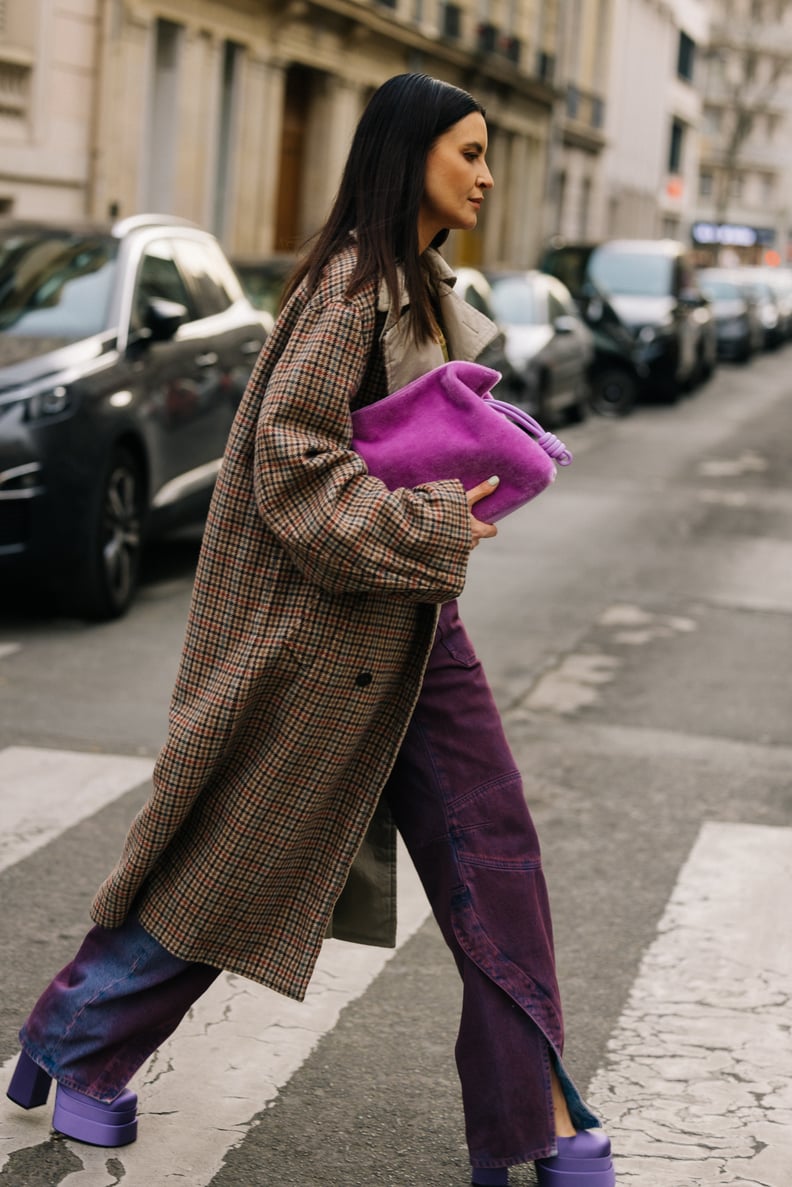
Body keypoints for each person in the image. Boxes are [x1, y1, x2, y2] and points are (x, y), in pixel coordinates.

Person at [6, 73, 615, 1186]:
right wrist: (439, 520)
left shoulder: (416, 283)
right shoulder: (353, 288)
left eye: (489, 155)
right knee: (236, 863)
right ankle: (77, 1045)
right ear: (409, 154)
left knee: (494, 853)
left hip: (409, 626)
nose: (486, 174)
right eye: (469, 152)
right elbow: (293, 464)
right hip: (323, 640)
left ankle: (535, 1121)